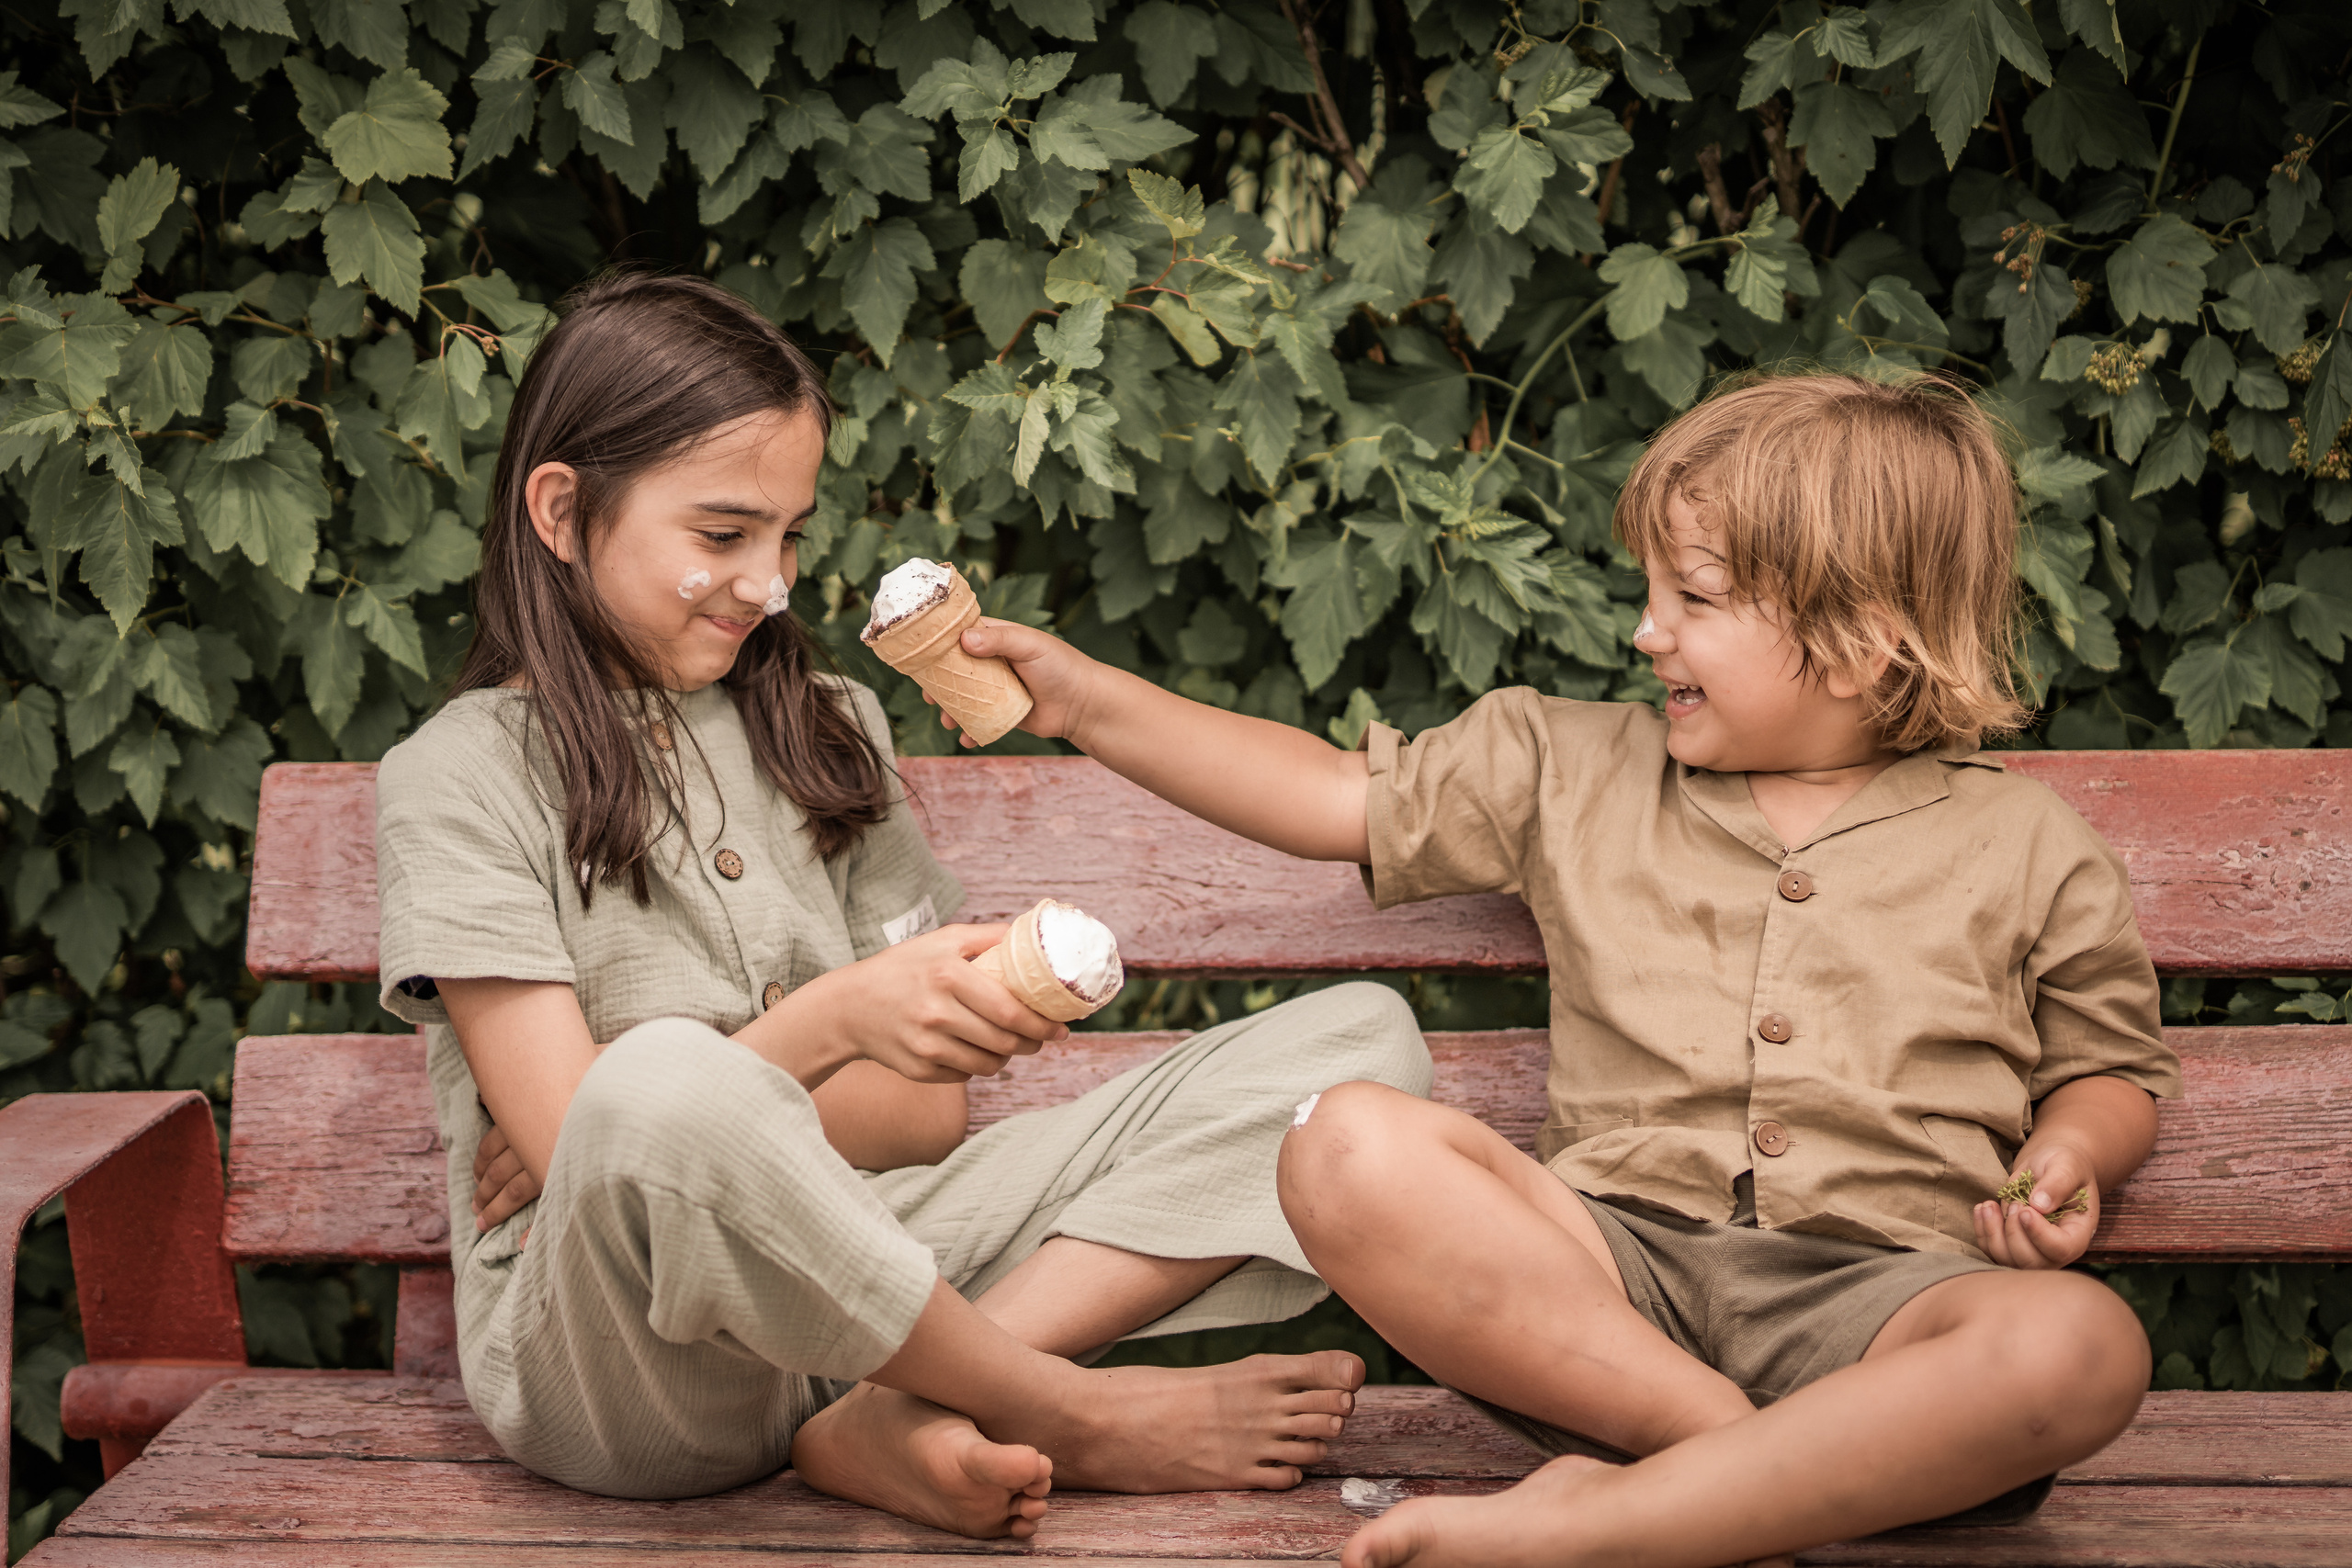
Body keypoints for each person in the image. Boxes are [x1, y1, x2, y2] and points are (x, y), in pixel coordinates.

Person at [957, 371, 2180, 1568]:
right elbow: (1332, 793)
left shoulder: (2030, 846)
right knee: (1342, 1143)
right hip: (1604, 1294)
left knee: (2081, 1349)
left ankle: (1621, 1518)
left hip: (1887, 1308)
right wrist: (1088, 702)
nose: (1646, 629)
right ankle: (1716, 1471)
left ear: (1859, 645)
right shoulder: (1568, 765)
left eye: (1693, 598)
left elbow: (2111, 1071)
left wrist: (2074, 1151)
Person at [371, 273, 1432, 1540]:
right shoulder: (461, 775)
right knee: (656, 1090)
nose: (768, 583)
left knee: (1358, 1045)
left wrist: (718, 1088)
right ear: (560, 509)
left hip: (880, 1266)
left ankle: (896, 1406)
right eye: (722, 536)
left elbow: (926, 1113)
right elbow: (578, 1147)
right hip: (626, 1360)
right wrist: (818, 1031)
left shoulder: (832, 728)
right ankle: (1057, 1408)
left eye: (789, 536)